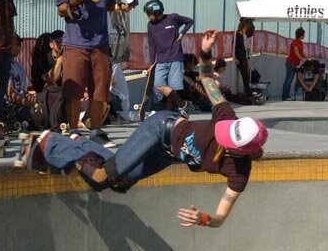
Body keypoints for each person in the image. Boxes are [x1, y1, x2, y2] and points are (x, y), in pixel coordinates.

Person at [17, 30, 268, 228]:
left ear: (241, 151)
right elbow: (208, 82)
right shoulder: (226, 117)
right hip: (161, 128)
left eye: (228, 142)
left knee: (119, 183)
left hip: (166, 154)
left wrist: (204, 219)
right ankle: (48, 144)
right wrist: (204, 52)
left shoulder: (239, 173)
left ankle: (75, 147)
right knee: (102, 175)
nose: (221, 135)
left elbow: (221, 217)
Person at [56, 0, 134, 148]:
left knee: (100, 91)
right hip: (76, 44)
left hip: (100, 43)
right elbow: (61, 9)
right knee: (74, 91)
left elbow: (109, 3)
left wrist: (121, 6)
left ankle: (95, 132)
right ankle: (74, 131)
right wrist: (72, 1)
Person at [144, 0, 193, 111]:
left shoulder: (172, 18)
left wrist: (181, 34)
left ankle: (169, 114)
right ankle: (182, 105)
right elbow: (151, 45)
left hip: (176, 58)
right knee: (159, 84)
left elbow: (189, 21)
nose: (147, 16)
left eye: (149, 13)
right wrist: (151, 63)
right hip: (161, 60)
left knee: (173, 89)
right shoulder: (150, 25)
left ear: (157, 12)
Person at [281, 27, 308, 101]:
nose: (304, 36)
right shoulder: (295, 42)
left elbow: (302, 53)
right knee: (288, 80)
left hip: (294, 64)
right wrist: (303, 59)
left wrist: (307, 59)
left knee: (290, 81)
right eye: (303, 34)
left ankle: (287, 96)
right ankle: (284, 96)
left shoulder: (300, 43)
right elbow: (297, 53)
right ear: (301, 35)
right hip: (290, 63)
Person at [234, 18, 255, 98]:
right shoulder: (238, 35)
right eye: (246, 27)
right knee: (245, 75)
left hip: (244, 57)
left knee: (246, 75)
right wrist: (235, 58)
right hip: (240, 58)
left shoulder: (244, 35)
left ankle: (248, 92)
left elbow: (246, 46)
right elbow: (235, 47)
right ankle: (249, 93)